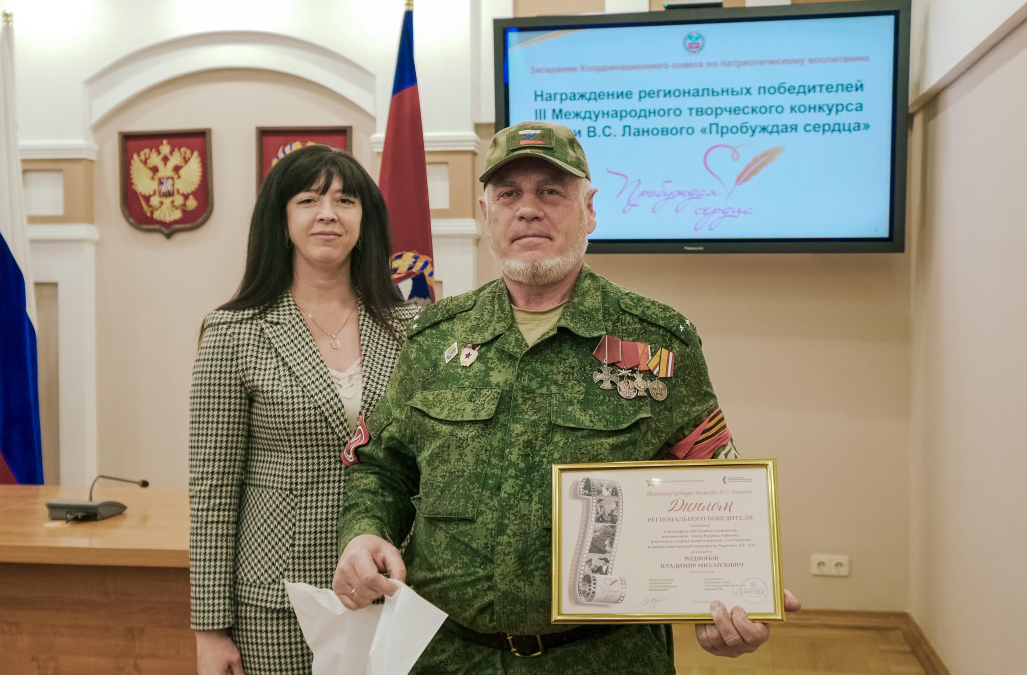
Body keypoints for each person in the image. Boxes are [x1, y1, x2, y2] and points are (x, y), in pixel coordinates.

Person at [332, 121, 800, 673]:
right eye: (509, 194)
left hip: (607, 659)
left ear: (590, 209)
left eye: (551, 191)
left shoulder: (659, 341)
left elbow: (713, 484)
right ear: (486, 214)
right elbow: (381, 467)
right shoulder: (435, 339)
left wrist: (730, 592)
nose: (528, 210)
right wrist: (364, 533)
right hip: (450, 656)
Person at [188, 145, 419, 674]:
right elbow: (213, 489)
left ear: (366, 220)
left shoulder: (411, 329)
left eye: (345, 201)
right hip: (279, 599)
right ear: (282, 219)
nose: (327, 214)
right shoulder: (233, 332)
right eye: (309, 200)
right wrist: (210, 629)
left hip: (390, 584)